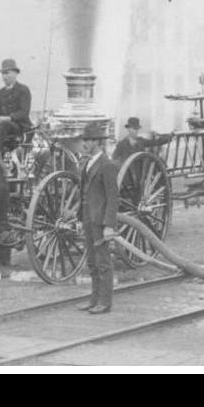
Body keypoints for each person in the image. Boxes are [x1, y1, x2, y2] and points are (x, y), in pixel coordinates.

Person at [78, 121, 122, 315]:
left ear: (97, 142)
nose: (85, 143)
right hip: (88, 218)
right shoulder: (87, 163)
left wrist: (109, 225)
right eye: (84, 140)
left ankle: (105, 302)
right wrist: (81, 218)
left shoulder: (107, 165)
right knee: (92, 261)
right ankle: (94, 299)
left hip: (100, 220)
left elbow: (113, 197)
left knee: (103, 261)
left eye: (88, 140)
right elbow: (83, 193)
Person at [0, 59, 32, 154]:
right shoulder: (1, 92)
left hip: (20, 127)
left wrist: (8, 118)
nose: (4, 77)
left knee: (4, 126)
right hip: (2, 126)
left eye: (7, 73)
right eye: (3, 74)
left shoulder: (23, 90)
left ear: (15, 73)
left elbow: (24, 112)